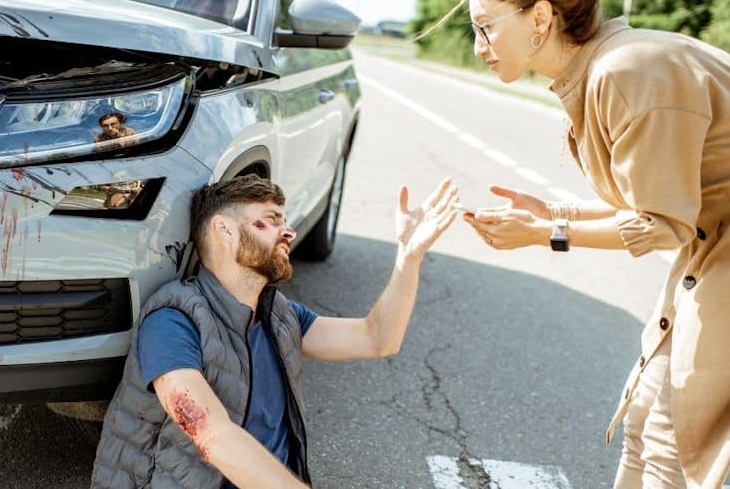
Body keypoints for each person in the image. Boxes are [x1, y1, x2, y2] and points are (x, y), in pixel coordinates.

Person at [458, 0, 730, 487]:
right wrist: (554, 212)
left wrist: (548, 233)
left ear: (541, 17)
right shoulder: (603, 67)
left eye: (485, 26)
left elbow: (662, 222)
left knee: (670, 439)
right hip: (715, 245)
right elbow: (659, 195)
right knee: (645, 417)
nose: (479, 44)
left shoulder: (625, 71)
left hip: (726, 249)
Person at [91, 175, 458, 488]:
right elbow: (212, 435)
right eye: (270, 220)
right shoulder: (173, 319)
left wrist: (409, 256)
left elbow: (377, 338)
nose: (290, 231)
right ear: (224, 229)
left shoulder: (280, 316)